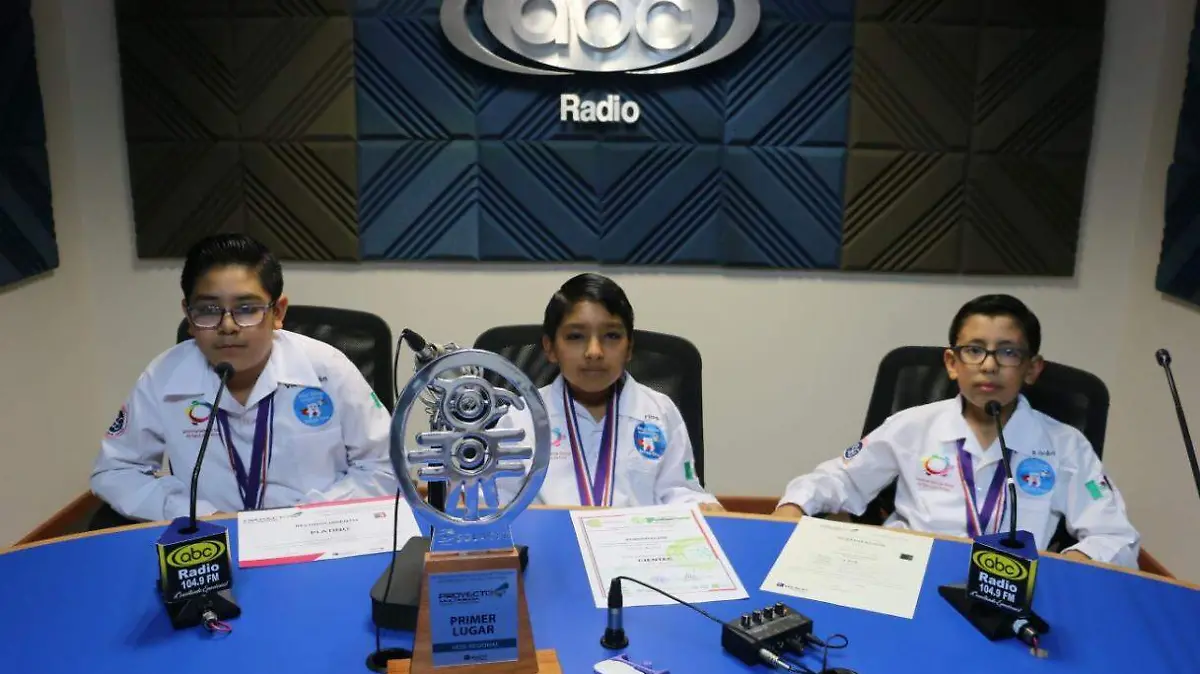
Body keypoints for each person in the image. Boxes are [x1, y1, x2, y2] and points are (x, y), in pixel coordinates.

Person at [773, 294, 1141, 568]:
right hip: (906, 574)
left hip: (1012, 586)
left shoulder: (1066, 445)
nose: (989, 366)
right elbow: (840, 478)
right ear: (952, 363)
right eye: (974, 350)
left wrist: (1074, 560)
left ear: (1032, 368)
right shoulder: (911, 426)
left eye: (1009, 353)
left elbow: (1115, 536)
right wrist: (795, 504)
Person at [90, 234, 397, 522]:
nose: (227, 326)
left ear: (277, 312)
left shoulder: (327, 369)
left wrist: (311, 519)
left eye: (246, 309)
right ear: (189, 316)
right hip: (213, 542)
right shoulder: (164, 376)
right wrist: (190, 512)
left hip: (318, 537)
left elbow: (385, 467)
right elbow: (115, 471)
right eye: (209, 310)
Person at [495, 273, 722, 511]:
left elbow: (680, 492)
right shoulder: (521, 417)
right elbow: (498, 501)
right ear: (550, 348)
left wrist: (704, 508)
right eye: (575, 336)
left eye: (611, 336)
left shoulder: (659, 412)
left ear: (629, 348)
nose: (594, 351)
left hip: (640, 544)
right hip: (550, 544)